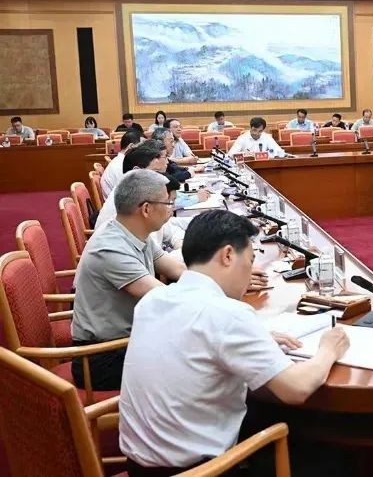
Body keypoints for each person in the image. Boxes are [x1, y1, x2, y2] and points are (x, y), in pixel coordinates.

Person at [119, 210, 350, 475]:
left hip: (141, 466)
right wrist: (329, 349)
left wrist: (254, 339)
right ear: (228, 255)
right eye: (250, 261)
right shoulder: (227, 314)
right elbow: (296, 389)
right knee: (335, 458)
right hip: (201, 471)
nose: (250, 272)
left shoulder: (153, 300)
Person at [70, 170, 186, 391]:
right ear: (146, 209)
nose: (171, 208)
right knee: (201, 360)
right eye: (168, 202)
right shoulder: (111, 247)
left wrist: (222, 280)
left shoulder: (133, 232)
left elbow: (177, 268)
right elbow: (166, 298)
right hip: (102, 357)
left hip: (131, 339)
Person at [95, 141, 203, 251]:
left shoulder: (141, 196)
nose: (160, 181)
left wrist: (199, 224)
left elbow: (166, 228)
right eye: (155, 174)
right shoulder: (129, 204)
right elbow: (155, 255)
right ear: (137, 172)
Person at [101, 129, 146, 197]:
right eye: (143, 147)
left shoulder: (122, 161)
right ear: (131, 146)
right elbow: (131, 196)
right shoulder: (121, 166)